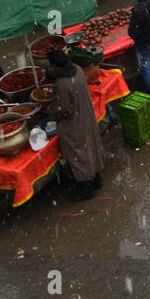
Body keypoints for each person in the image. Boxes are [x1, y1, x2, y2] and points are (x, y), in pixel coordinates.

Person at [46, 49, 106, 199]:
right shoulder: (78, 70)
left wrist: (51, 111)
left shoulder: (62, 84)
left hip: (74, 124)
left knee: (78, 154)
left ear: (54, 65)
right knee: (91, 146)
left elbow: (64, 110)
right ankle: (97, 178)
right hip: (87, 115)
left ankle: (86, 188)